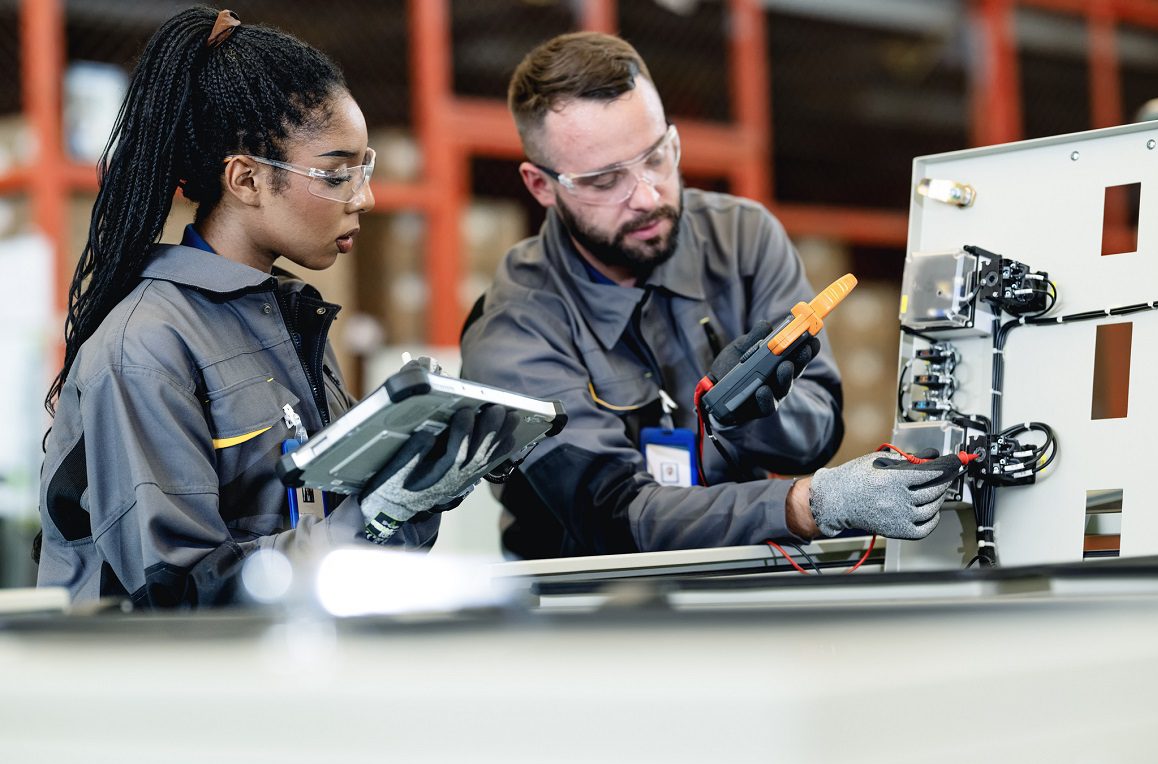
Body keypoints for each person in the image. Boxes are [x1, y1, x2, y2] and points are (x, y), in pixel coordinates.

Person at [37, 7, 516, 608]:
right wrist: (376, 513)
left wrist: (411, 488)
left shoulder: (288, 320)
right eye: (336, 174)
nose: (364, 197)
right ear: (245, 179)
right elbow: (179, 595)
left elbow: (331, 536)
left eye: (363, 169)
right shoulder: (146, 346)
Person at [461, 32, 961, 559]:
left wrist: (758, 413)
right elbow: (614, 514)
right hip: (590, 611)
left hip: (755, 577)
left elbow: (818, 434)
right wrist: (809, 505)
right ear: (542, 186)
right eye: (606, 180)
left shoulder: (742, 240)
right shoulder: (513, 328)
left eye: (656, 156)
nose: (648, 196)